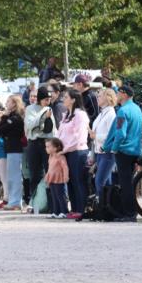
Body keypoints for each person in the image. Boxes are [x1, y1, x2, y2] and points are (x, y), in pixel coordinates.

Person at [101, 85, 142, 222]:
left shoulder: (122, 111)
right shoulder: (137, 109)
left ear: (124, 94)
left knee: (126, 184)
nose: (116, 95)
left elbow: (120, 133)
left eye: (118, 92)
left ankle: (129, 214)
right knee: (130, 183)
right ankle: (131, 212)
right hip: (135, 150)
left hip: (124, 151)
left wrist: (114, 148)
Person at [57, 90, 90, 219]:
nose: (63, 99)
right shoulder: (66, 115)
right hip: (66, 152)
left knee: (78, 181)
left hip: (77, 152)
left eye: (66, 97)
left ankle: (82, 209)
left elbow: (79, 138)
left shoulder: (80, 115)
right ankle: (74, 208)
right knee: (70, 181)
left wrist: (65, 149)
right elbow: (61, 134)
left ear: (73, 99)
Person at [24, 86, 57, 213]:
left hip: (47, 143)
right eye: (45, 99)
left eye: (49, 99)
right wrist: (43, 116)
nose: (47, 102)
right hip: (34, 143)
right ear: (39, 99)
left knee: (50, 172)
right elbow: (30, 125)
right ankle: (34, 204)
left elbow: (53, 129)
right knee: (35, 174)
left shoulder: (49, 109)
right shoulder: (30, 109)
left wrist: (57, 143)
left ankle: (50, 203)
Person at [0, 95, 25, 211]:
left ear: (14, 104)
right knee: (11, 176)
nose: (6, 103)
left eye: (8, 101)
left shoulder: (16, 118)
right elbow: (2, 132)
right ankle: (14, 200)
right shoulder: (11, 117)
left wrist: (4, 117)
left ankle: (15, 202)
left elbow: (3, 129)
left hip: (15, 149)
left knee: (15, 177)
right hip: (10, 149)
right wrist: (5, 117)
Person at [90, 87, 118, 192]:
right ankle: (107, 206)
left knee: (99, 181)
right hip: (99, 152)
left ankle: (101, 206)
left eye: (100, 96)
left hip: (107, 153)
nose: (97, 98)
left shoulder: (111, 114)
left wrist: (95, 136)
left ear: (107, 98)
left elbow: (112, 136)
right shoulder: (102, 113)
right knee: (106, 182)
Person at [44, 137, 69, 218]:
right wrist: (47, 177)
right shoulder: (50, 157)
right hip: (52, 179)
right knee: (54, 196)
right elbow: (50, 168)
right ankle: (55, 211)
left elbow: (65, 167)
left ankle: (64, 211)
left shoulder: (60, 157)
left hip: (59, 179)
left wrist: (66, 176)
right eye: (46, 147)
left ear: (56, 147)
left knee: (60, 196)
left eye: (48, 147)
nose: (46, 148)